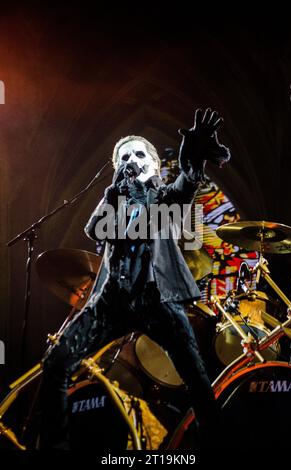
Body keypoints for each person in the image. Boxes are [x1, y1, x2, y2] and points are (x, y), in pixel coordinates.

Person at [39, 108, 231, 450]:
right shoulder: (114, 200)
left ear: (154, 166)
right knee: (55, 363)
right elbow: (94, 228)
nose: (131, 160)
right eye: (124, 157)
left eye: (139, 154)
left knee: (198, 380)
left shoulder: (162, 198)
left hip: (158, 300)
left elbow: (183, 190)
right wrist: (113, 194)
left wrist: (191, 167)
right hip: (111, 301)